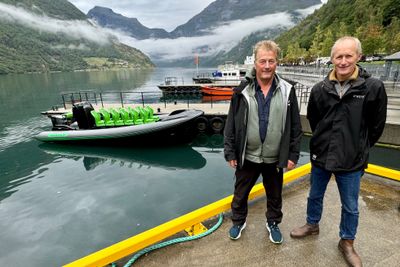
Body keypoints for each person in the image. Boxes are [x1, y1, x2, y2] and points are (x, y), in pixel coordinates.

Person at [290, 36, 387, 266]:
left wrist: (360, 148)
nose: (343, 61)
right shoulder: (320, 89)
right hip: (322, 155)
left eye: (348, 56)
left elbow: (376, 126)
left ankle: (347, 242)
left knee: (351, 205)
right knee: (315, 194)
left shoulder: (372, 88)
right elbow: (315, 120)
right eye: (338, 56)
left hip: (352, 160)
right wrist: (323, 142)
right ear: (332, 59)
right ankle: (312, 224)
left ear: (358, 57)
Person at [224, 40, 302, 244]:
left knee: (275, 195)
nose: (267, 66)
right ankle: (238, 222)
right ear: (255, 63)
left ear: (277, 63)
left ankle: (273, 222)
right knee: (240, 194)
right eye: (262, 61)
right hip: (247, 154)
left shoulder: (287, 90)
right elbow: (231, 123)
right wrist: (230, 152)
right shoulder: (241, 91)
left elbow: (295, 126)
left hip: (274, 157)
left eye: (271, 61)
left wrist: (292, 155)